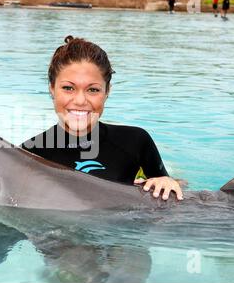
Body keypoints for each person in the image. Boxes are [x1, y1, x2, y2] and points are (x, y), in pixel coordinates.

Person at [21, 36, 183, 201]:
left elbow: (174, 191)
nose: (80, 101)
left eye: (93, 90)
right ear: (52, 89)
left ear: (107, 92)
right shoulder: (27, 155)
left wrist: (167, 181)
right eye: (68, 88)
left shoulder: (135, 141)